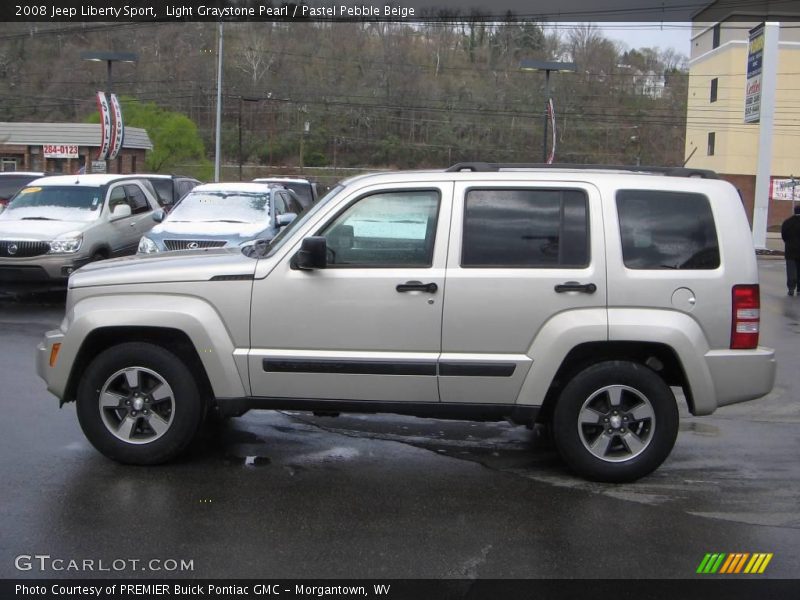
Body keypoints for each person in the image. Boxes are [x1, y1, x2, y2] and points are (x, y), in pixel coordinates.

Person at [780, 205, 800, 295]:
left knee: (791, 269)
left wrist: (788, 243)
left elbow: (784, 235)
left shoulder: (787, 222)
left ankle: (791, 288)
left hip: (790, 249)